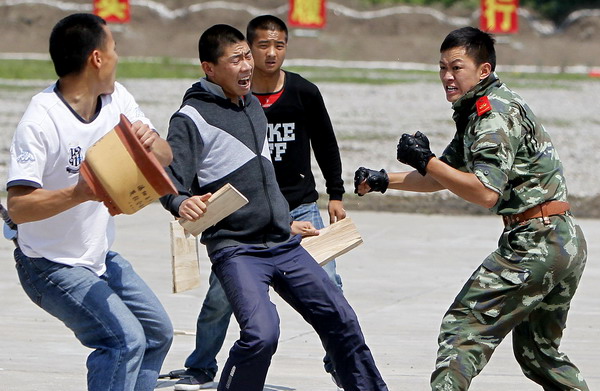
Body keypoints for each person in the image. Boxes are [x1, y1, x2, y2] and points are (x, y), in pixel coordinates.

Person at [355, 26, 589, 390]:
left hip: (535, 241)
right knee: (538, 354)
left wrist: (427, 160)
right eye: (442, 68)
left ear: (483, 70)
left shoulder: (491, 114)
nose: (447, 77)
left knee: (462, 329)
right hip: (561, 239)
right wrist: (385, 179)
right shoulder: (480, 109)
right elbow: (441, 177)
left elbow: (484, 192)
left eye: (457, 67)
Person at [160, 24, 388, 391]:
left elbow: (262, 174)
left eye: (246, 56)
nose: (248, 65)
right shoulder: (191, 118)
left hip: (283, 242)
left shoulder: (252, 106)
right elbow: (169, 178)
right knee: (262, 334)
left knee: (340, 317)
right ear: (209, 68)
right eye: (236, 59)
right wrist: (180, 200)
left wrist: (284, 219)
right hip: (238, 249)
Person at [6, 13, 174, 391]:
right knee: (121, 340)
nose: (118, 57)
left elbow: (165, 155)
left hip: (98, 256)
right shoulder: (41, 120)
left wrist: (153, 146)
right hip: (48, 266)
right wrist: (81, 192)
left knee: (156, 333)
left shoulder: (117, 98)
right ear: (97, 58)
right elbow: (18, 206)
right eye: (114, 49)